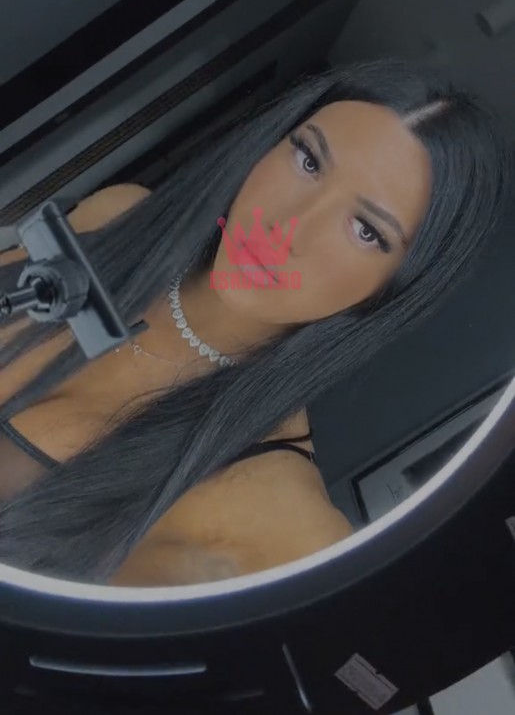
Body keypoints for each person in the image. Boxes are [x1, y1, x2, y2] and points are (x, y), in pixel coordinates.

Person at [0, 57, 511, 586]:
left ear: (395, 288)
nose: (287, 227)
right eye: (309, 160)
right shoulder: (123, 216)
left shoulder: (284, 524)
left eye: (365, 229)